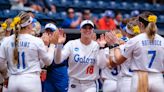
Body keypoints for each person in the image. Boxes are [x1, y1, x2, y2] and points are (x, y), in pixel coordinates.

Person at [0, 11, 58, 92]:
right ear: (28, 26)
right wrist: (52, 45)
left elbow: (1, 63)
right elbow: (47, 61)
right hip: (31, 80)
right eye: (32, 23)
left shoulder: (6, 41)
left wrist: (6, 76)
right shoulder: (36, 41)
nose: (33, 25)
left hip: (12, 81)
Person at [107, 14, 164, 92]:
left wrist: (116, 46)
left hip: (140, 77)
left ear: (140, 24)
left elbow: (118, 61)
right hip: (158, 78)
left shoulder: (135, 40)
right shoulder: (162, 40)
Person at [55, 20, 106, 92]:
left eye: (90, 28)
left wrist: (102, 48)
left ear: (93, 30)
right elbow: (58, 61)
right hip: (74, 83)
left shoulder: (97, 45)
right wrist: (59, 45)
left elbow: (102, 65)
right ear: (80, 30)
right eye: (85, 28)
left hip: (90, 84)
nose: (87, 30)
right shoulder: (72, 44)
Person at [42, 23, 68, 92]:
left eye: (51, 31)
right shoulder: (42, 43)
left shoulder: (60, 43)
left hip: (60, 73)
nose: (49, 33)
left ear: (55, 33)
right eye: (47, 31)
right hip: (48, 75)